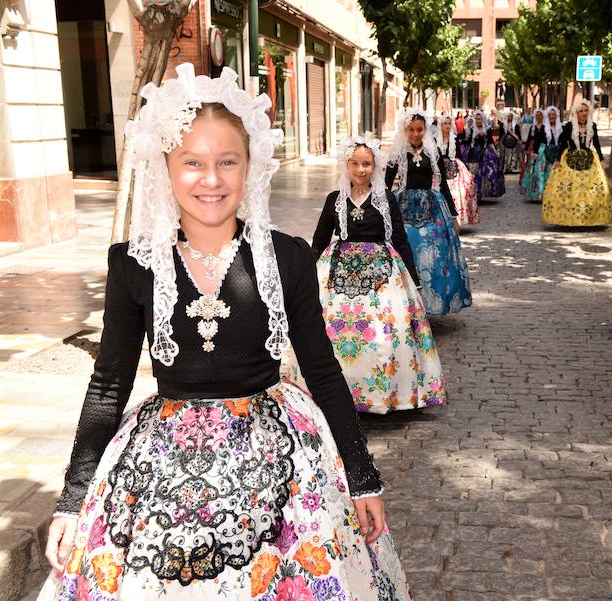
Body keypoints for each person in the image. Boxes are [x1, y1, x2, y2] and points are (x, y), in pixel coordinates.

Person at [37, 65, 410, 601]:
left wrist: (362, 475)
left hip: (281, 462)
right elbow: (107, 387)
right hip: (161, 470)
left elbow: (324, 370)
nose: (210, 180)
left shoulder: (287, 256)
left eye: (226, 162)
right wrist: (73, 500)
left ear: (249, 167)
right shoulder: (132, 264)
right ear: (165, 167)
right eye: (192, 162)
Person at [310, 133, 446, 414]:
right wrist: (306, 278)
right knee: (335, 331)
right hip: (338, 274)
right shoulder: (334, 199)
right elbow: (319, 239)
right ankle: (340, 393)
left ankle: (383, 393)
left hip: (382, 274)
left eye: (367, 164)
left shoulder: (386, 199)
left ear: (376, 166)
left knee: (383, 333)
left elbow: (399, 238)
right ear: (346, 165)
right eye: (355, 164)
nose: (361, 170)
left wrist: (414, 279)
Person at [386, 108, 472, 315]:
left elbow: (443, 186)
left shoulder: (433, 152)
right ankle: (407, 306)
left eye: (419, 130)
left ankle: (429, 304)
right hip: (403, 209)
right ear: (405, 130)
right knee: (407, 254)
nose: (415, 134)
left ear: (425, 130)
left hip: (432, 210)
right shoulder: (398, 153)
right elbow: (386, 186)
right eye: (411, 130)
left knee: (434, 257)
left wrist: (453, 216)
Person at [542, 99, 611, 226]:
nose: (584, 113)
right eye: (581, 111)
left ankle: (588, 219)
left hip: (589, 159)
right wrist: (557, 160)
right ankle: (570, 219)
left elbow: (596, 143)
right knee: (569, 189)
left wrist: (601, 159)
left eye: (586, 111)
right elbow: (562, 144)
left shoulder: (593, 126)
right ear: (576, 113)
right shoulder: (569, 126)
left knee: (593, 188)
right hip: (570, 158)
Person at [436, 112, 480, 226]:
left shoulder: (454, 139)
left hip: (452, 168)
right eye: (444, 123)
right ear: (440, 125)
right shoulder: (435, 140)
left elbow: (458, 155)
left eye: (449, 123)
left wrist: (466, 169)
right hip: (439, 170)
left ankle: (455, 219)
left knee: (456, 194)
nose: (447, 126)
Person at [466, 110, 506, 201]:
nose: (478, 121)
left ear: (482, 119)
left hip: (485, 153)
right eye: (476, 119)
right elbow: (468, 141)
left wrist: (495, 152)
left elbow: (491, 141)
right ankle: (475, 193)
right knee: (475, 173)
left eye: (479, 119)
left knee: (486, 172)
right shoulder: (472, 129)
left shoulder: (487, 129)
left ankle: (484, 192)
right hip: (474, 153)